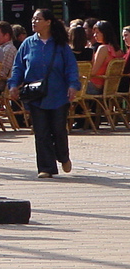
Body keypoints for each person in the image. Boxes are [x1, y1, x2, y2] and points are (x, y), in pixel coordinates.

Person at [8, 9, 79, 178]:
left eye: (38, 19)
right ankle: (46, 167)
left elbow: (71, 67)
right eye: (33, 19)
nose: (34, 22)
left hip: (58, 94)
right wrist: (13, 84)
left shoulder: (60, 44)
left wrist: (73, 85)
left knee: (58, 130)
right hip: (36, 94)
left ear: (48, 22)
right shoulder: (28, 43)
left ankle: (63, 156)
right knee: (41, 132)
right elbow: (18, 67)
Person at [86, 20, 123, 94]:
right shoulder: (119, 51)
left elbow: (93, 72)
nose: (94, 35)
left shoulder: (103, 48)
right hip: (109, 87)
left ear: (105, 33)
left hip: (95, 86)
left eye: (97, 33)